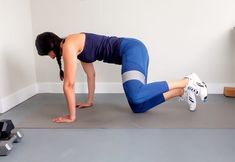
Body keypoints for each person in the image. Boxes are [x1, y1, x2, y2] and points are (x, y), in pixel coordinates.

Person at [35, 32, 208, 123]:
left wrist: (70, 117)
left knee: (136, 94)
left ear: (49, 49)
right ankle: (180, 91)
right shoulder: (73, 47)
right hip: (134, 53)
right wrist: (89, 100)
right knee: (137, 106)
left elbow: (69, 85)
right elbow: (90, 75)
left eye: (47, 55)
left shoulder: (69, 46)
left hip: (132, 49)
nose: (50, 58)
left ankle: (188, 80)